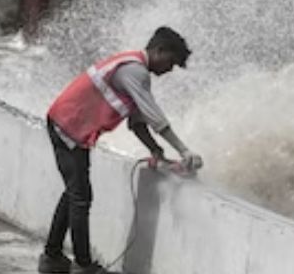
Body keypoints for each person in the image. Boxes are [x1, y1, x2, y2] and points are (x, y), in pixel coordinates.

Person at [38, 26, 203, 274]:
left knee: (74, 193)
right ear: (159, 51)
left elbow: (137, 123)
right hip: (68, 126)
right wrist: (184, 151)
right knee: (81, 198)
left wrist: (156, 151)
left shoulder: (131, 67)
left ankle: (52, 258)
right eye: (171, 62)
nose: (170, 70)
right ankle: (83, 265)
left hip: (68, 124)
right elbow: (154, 117)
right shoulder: (135, 72)